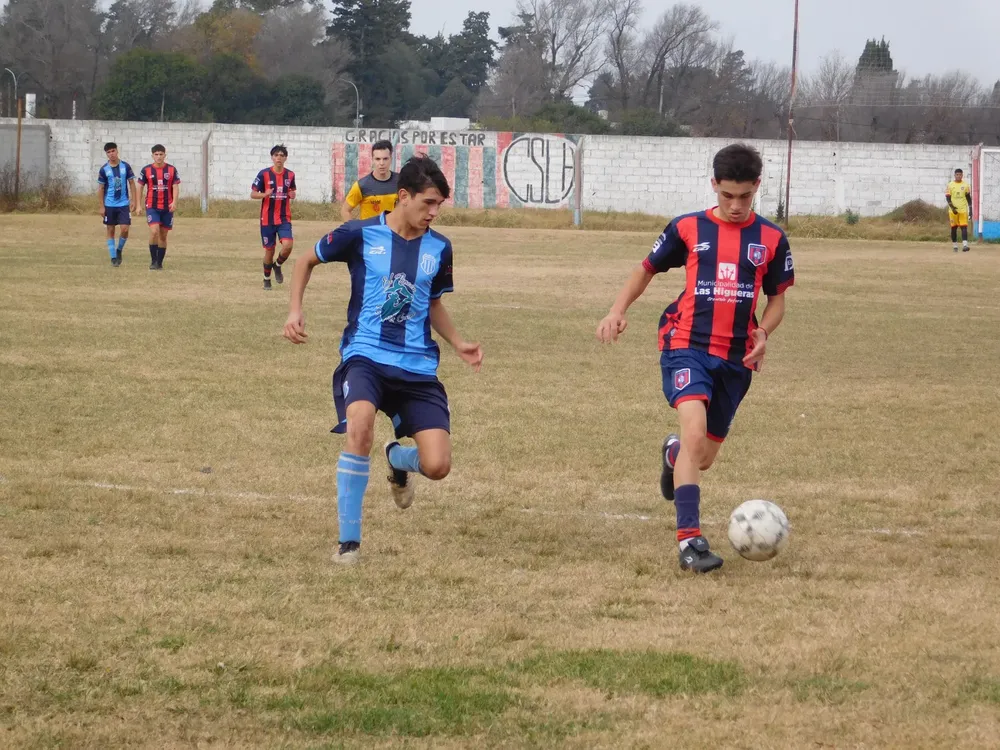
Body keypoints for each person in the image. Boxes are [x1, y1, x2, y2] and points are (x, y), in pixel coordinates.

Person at [596, 143, 795, 574]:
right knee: (693, 430)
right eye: (727, 196)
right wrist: (617, 310)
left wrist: (764, 331)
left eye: (745, 196)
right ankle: (690, 540)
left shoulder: (772, 239)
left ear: (757, 187)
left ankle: (673, 457)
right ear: (714, 187)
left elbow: (777, 300)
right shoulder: (687, 228)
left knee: (700, 456)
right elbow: (645, 268)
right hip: (685, 344)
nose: (737, 205)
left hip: (737, 360)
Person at [284, 155, 483, 566]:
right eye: (428, 203)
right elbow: (305, 260)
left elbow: (432, 303)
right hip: (366, 357)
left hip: (417, 367)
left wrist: (458, 343)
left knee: (438, 465)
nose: (434, 212)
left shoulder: (440, 248)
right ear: (403, 197)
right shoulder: (358, 234)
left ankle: (398, 460)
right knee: (359, 427)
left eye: (439, 205)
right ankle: (349, 544)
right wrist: (294, 310)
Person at [252, 144, 297, 290]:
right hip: (267, 219)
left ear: (285, 158)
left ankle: (277, 266)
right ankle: (266, 279)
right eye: (276, 155)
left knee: (288, 245)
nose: (279, 158)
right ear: (272, 157)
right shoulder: (264, 174)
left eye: (281, 155)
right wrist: (264, 194)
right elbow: (252, 194)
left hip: (284, 217)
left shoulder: (290, 175)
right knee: (269, 250)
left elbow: (292, 191)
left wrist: (292, 195)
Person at [137, 144, 181, 270]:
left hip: (167, 207)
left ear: (165, 155)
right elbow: (140, 186)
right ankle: (153, 260)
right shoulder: (146, 170)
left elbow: (175, 186)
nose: (159, 157)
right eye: (156, 154)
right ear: (152, 156)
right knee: (154, 231)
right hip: (152, 206)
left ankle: (159, 263)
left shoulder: (171, 170)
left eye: (161, 154)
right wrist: (139, 205)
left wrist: (174, 202)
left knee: (163, 235)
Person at [97, 142, 136, 267]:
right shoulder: (104, 169)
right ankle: (113, 257)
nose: (111, 154)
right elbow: (101, 188)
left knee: (124, 229)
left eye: (113, 151)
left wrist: (134, 200)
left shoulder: (125, 166)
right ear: (106, 154)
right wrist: (102, 206)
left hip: (123, 203)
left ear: (117, 151)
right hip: (109, 204)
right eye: (108, 152)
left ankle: (119, 250)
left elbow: (132, 184)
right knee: (110, 229)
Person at [341, 139, 398, 221]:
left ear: (391, 159)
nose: (381, 163)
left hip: (392, 233)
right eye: (377, 159)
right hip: (370, 233)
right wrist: (354, 230)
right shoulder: (362, 185)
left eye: (385, 159)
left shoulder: (401, 182)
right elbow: (345, 210)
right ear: (372, 159)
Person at [946, 168, 973, 252]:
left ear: (962, 175)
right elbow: (948, 198)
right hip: (953, 211)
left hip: (962, 210)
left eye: (960, 174)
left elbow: (968, 198)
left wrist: (970, 209)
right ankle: (955, 246)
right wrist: (953, 208)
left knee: (964, 227)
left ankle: (965, 246)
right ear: (954, 175)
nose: (958, 176)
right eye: (957, 174)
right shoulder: (950, 185)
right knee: (954, 228)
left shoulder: (966, 185)